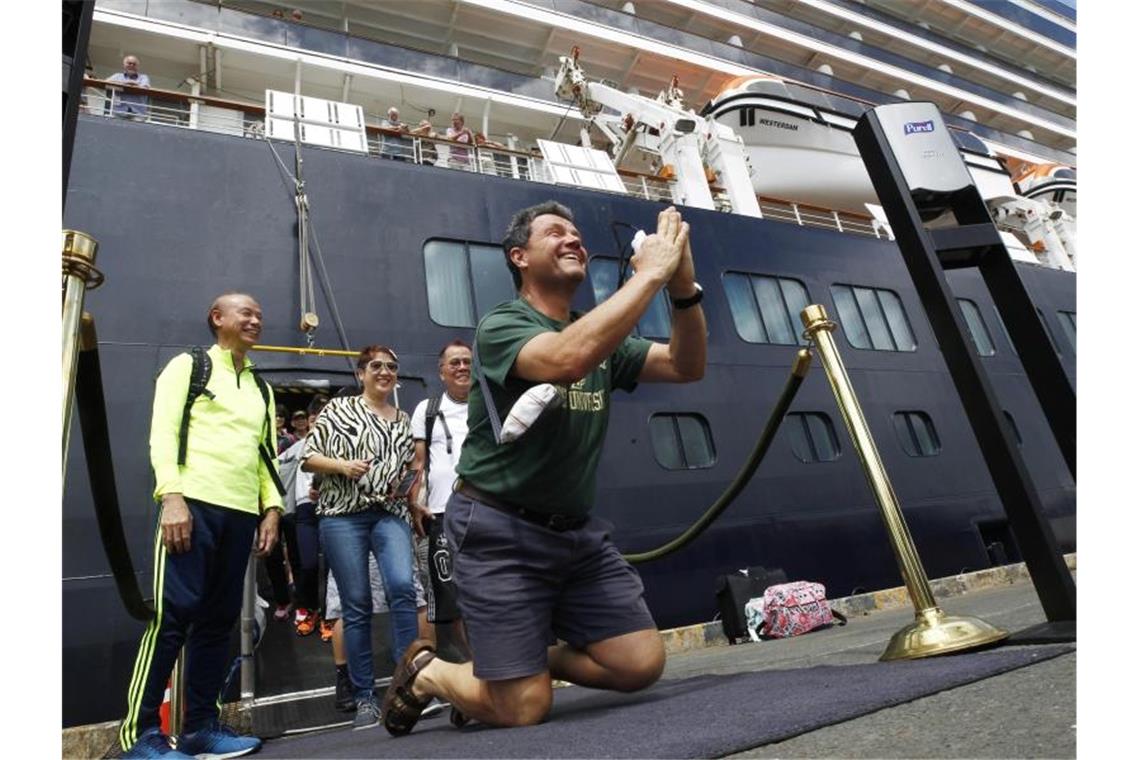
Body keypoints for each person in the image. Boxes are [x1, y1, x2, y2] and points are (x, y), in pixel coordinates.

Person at [380, 201, 705, 735]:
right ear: (519, 257)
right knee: (524, 709)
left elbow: (686, 366)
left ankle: (524, 663)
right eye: (555, 233)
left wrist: (682, 288)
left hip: (575, 535)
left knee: (639, 664)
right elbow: (564, 359)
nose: (573, 239)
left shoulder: (601, 334)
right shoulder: (502, 325)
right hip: (499, 530)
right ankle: (430, 673)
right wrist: (649, 275)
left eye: (577, 234)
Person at [119, 293, 283, 758]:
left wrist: (271, 509)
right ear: (218, 318)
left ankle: (201, 728)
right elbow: (163, 433)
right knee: (172, 619)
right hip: (191, 506)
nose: (257, 318)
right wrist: (171, 495)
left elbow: (265, 457)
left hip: (239, 515)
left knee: (217, 623)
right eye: (246, 312)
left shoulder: (262, 389)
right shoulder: (188, 367)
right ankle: (141, 735)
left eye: (259, 313)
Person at [302, 346, 419, 730]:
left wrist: (404, 488)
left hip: (389, 513)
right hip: (341, 516)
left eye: (391, 366)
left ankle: (409, 683)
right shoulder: (339, 410)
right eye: (377, 366)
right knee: (356, 604)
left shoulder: (403, 420)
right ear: (361, 373)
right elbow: (309, 458)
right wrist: (342, 466)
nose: (385, 371)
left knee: (403, 587)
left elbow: (405, 469)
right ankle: (365, 696)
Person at [409, 341, 473, 657]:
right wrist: (412, 501)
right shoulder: (427, 410)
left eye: (467, 361)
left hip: (488, 511)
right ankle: (478, 663)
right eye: (455, 363)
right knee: (451, 594)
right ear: (442, 371)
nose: (462, 367)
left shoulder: (489, 406)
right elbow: (418, 464)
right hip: (442, 513)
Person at [273, 399, 326, 635]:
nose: (317, 423)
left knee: (334, 567)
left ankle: (331, 615)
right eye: (314, 419)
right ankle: (309, 608)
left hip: (334, 510)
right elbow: (278, 469)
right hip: (304, 510)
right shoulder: (295, 446)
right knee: (308, 564)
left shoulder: (341, 445)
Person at [107, 55, 150, 120]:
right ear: (124, 65)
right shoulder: (117, 76)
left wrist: (125, 84)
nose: (131, 65)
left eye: (134, 64)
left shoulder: (143, 77)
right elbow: (106, 83)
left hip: (138, 113)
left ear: (137, 66)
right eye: (129, 63)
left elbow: (144, 87)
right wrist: (124, 83)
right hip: (119, 111)